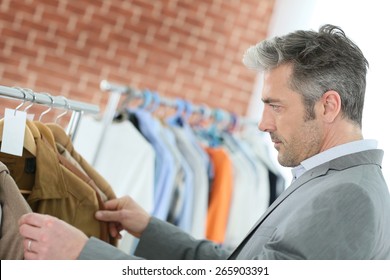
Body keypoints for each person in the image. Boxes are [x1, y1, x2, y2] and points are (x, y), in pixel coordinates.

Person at [19, 24, 390, 260]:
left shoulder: (348, 196)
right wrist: (148, 228)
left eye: (275, 106)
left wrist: (85, 255)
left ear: (328, 106)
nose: (262, 123)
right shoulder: (326, 179)